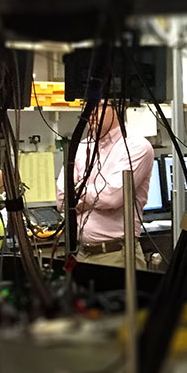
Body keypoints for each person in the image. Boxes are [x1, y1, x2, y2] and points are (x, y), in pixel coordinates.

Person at [56, 102, 154, 269]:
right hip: (80, 254)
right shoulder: (81, 148)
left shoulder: (136, 146)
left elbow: (111, 197)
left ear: (118, 107)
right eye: (87, 105)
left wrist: (79, 192)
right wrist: (95, 193)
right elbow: (62, 201)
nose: (91, 111)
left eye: (100, 105)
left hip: (117, 256)